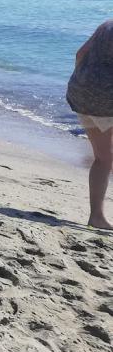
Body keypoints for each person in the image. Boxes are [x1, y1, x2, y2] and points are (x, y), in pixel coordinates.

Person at [67, 20, 113, 228]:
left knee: (102, 158)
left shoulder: (106, 26)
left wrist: (86, 82)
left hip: (81, 92)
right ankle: (97, 217)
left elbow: (80, 54)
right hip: (106, 98)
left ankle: (97, 216)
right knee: (105, 158)